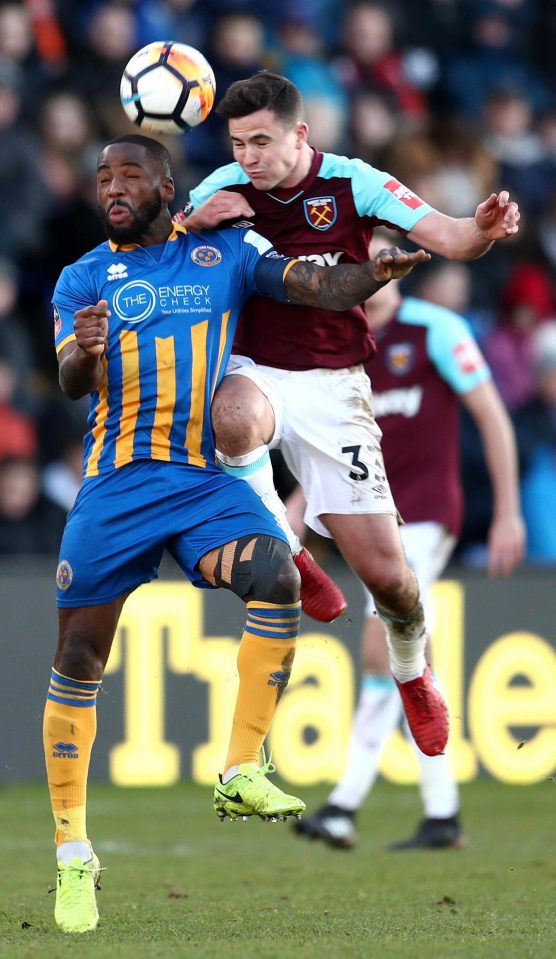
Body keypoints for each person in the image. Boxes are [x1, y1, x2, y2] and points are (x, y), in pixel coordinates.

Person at [44, 133, 430, 934]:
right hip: (117, 484)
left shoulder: (222, 250)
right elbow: (69, 381)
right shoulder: (83, 276)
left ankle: (239, 766)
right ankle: (73, 855)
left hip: (200, 481)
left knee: (278, 577)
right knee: (79, 657)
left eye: (130, 175)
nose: (113, 187)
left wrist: (375, 272)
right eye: (103, 177)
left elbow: (311, 285)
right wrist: (82, 355)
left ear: (166, 186)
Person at [181, 70, 520, 764]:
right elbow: (151, 258)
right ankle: (294, 552)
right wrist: (187, 223)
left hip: (335, 388)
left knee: (392, 581)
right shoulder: (221, 188)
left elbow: (451, 238)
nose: (247, 156)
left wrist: (483, 230)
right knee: (231, 416)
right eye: (238, 143)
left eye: (261, 142)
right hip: (255, 368)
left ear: (300, 135)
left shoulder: (353, 181)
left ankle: (411, 670)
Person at [294, 232, 525, 851]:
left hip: (424, 516)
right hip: (372, 516)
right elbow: (326, 443)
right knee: (414, 661)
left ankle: (343, 804)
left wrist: (507, 511)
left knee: (380, 649)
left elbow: (493, 418)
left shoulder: (434, 330)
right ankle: (443, 812)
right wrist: (295, 510)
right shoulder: (339, 341)